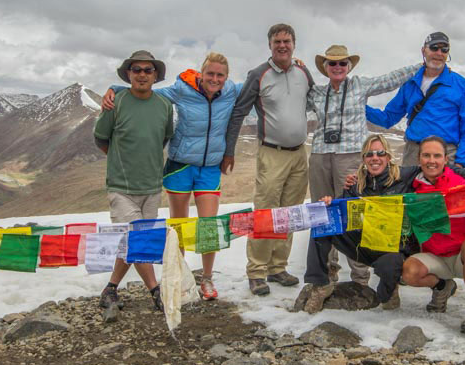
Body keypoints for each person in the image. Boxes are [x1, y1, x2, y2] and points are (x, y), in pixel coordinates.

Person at [100, 52, 241, 300]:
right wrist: (114, 88)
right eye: (210, 73)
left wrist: (294, 64)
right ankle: (179, 279)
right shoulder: (180, 89)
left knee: (208, 227)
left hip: (209, 168)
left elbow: (259, 83)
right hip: (179, 166)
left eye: (220, 75)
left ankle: (207, 279)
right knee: (179, 228)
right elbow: (145, 94)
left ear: (227, 78)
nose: (214, 79)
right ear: (201, 73)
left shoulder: (231, 91)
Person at [299, 134, 465, 313]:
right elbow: (341, 215)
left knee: (386, 294)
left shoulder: (405, 175)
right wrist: (329, 204)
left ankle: (394, 288)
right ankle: (321, 285)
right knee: (323, 221)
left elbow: (442, 168)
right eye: (369, 154)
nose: (375, 158)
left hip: (397, 249)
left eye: (380, 153)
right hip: (366, 244)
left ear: (388, 157)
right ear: (364, 159)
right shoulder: (356, 185)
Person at [307, 45, 419, 286]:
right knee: (322, 212)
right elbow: (291, 99)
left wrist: (423, 64)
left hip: (351, 156)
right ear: (325, 68)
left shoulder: (360, 85)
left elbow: (390, 80)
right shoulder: (315, 92)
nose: (338, 67)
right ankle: (328, 272)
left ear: (349, 66)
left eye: (343, 63)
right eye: (332, 63)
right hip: (319, 155)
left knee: (353, 214)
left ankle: (359, 278)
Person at [224, 24, 316, 296]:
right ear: (270, 45)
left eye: (287, 41)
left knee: (290, 211)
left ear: (294, 44)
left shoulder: (303, 72)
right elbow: (239, 112)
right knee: (266, 211)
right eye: (277, 41)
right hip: (271, 153)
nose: (282, 46)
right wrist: (229, 150)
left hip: (300, 152)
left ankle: (278, 267)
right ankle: (257, 271)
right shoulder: (258, 74)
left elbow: (313, 100)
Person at [93, 50, 174, 321]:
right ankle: (156, 291)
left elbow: (162, 138)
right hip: (121, 187)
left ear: (155, 75)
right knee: (138, 240)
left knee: (132, 243)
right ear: (128, 73)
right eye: (136, 69)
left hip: (152, 186)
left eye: (147, 70)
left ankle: (110, 288)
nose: (141, 74)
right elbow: (102, 138)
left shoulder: (164, 106)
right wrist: (121, 163)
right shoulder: (115, 103)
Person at [401, 136, 465, 335]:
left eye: (436, 156)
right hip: (434, 257)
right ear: (419, 158)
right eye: (426, 155)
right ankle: (442, 287)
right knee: (409, 272)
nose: (431, 160)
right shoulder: (411, 187)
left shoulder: (460, 183)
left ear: (445, 159)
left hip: (462, 256)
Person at [366, 31, 465, 167]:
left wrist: (460, 163)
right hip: (413, 154)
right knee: (410, 189)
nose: (439, 53)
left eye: (444, 49)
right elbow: (388, 118)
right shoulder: (410, 82)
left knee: (442, 190)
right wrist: (359, 106)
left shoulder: (460, 84)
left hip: (446, 155)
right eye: (434, 47)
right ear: (423, 50)